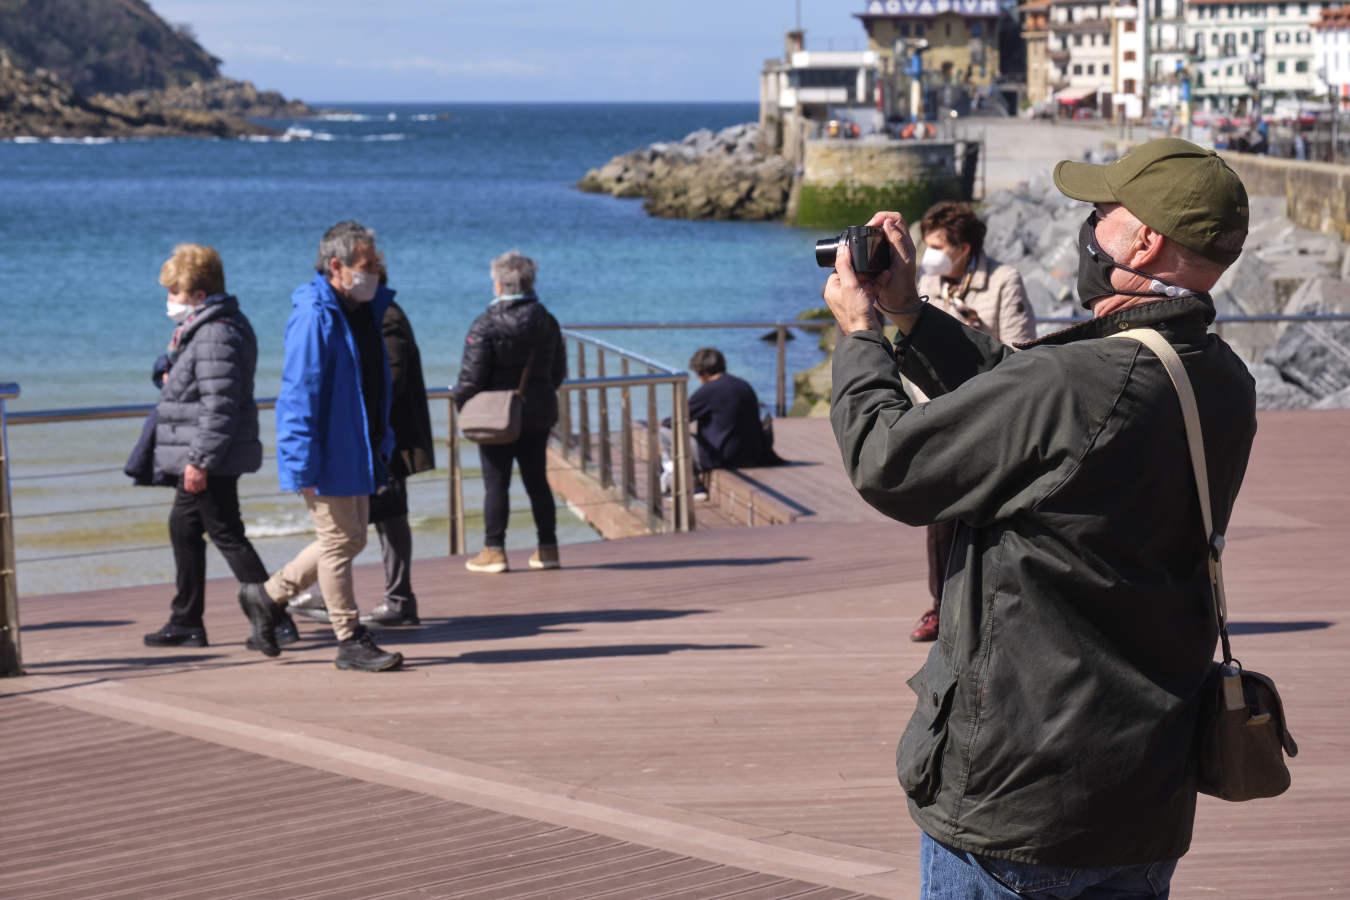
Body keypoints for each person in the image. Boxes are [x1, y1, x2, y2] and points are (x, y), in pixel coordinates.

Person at [821, 138, 1255, 898]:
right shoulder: (1219, 379)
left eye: (1101, 213)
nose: (1088, 227)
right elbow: (1026, 396)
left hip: (1020, 794)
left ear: (1144, 240)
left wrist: (862, 337)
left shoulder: (1083, 382)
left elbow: (889, 464)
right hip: (1144, 790)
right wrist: (912, 317)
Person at [235, 221, 404, 672]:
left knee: (351, 539)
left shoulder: (362, 310)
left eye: (377, 264)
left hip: (360, 447)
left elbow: (373, 382)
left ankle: (266, 596)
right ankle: (349, 638)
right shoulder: (315, 315)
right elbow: (298, 395)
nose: (376, 273)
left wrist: (382, 438)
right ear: (337, 266)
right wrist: (300, 466)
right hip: (327, 453)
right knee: (336, 544)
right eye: (368, 265)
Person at [142, 244, 297, 648]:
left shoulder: (214, 332)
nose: (168, 301)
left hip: (210, 455)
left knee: (226, 532)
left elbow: (220, 404)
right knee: (185, 528)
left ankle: (274, 614)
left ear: (197, 294)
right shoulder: (206, 328)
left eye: (173, 292)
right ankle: (186, 619)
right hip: (208, 452)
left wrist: (199, 460)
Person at [910, 201, 1037, 642]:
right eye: (926, 246)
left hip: (989, 413)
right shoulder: (928, 280)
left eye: (938, 246)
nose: (930, 255)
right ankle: (940, 608)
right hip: (937, 411)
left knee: (990, 514)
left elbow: (1023, 349)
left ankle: (996, 607)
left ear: (964, 248)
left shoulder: (1003, 280)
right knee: (939, 517)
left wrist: (977, 329)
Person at [289, 264, 436, 628]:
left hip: (384, 439)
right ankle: (364, 596)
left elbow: (388, 381)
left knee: (370, 523)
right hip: (375, 438)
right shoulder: (372, 315)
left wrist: (364, 424)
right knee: (361, 525)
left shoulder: (385, 317)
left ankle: (395, 600)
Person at [455, 250, 566, 574]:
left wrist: (464, 406)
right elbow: (558, 370)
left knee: (496, 483)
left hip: (495, 415)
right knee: (537, 480)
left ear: (501, 285)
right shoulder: (546, 320)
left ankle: (494, 550)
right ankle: (548, 549)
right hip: (538, 409)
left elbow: (470, 378)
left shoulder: (485, 323)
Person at [686, 348, 782, 473]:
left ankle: (685, 479)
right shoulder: (743, 385)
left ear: (702, 373)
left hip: (724, 458)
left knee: (664, 432)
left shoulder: (708, 390)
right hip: (754, 455)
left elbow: (677, 419)